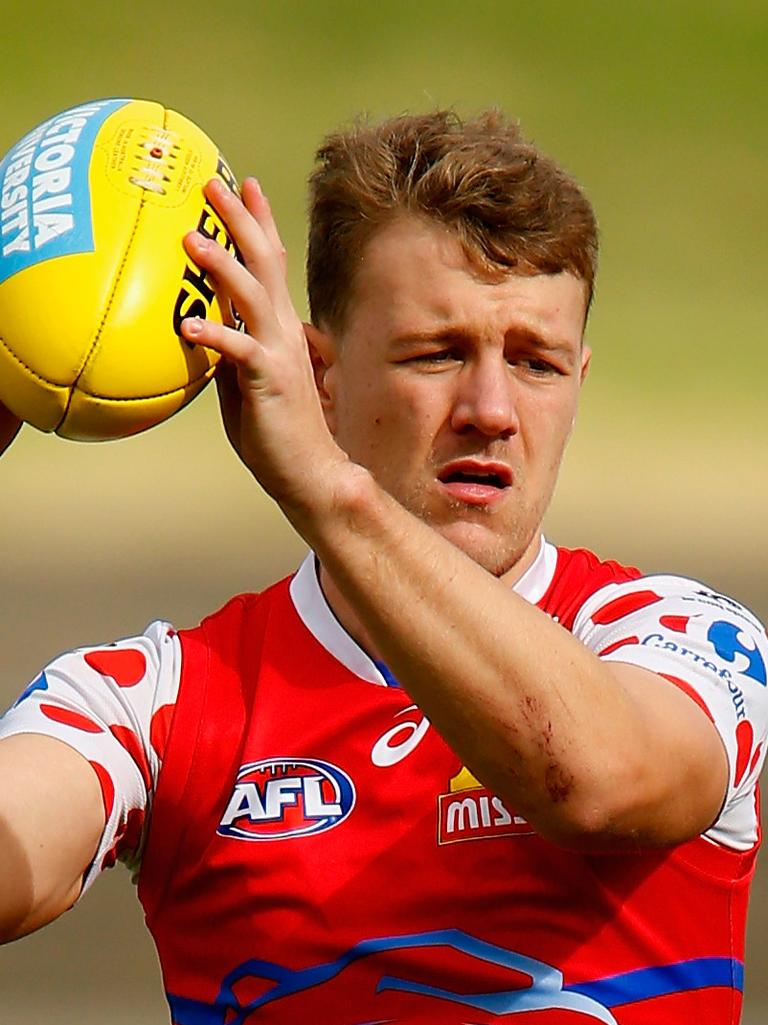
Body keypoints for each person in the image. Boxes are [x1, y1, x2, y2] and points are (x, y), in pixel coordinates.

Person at [0, 110, 766, 1024]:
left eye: (538, 363)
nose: (491, 407)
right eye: (436, 354)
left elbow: (594, 781)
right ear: (314, 375)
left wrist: (328, 489)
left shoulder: (680, 640)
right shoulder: (158, 701)